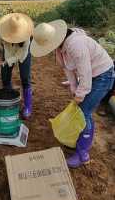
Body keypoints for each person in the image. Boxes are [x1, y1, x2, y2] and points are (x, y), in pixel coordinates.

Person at [31, 20, 115, 168]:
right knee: (83, 111)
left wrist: (80, 94)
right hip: (91, 75)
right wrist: (74, 88)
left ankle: (83, 154)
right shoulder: (60, 47)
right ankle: (82, 141)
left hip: (102, 75)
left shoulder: (76, 45)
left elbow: (85, 73)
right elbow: (67, 68)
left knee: (83, 112)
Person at [0, 13, 34, 119]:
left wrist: (4, 62)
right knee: (5, 77)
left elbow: (20, 55)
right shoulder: (2, 32)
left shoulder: (26, 37)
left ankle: (28, 106)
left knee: (25, 77)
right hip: (8, 53)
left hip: (23, 55)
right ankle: (10, 101)